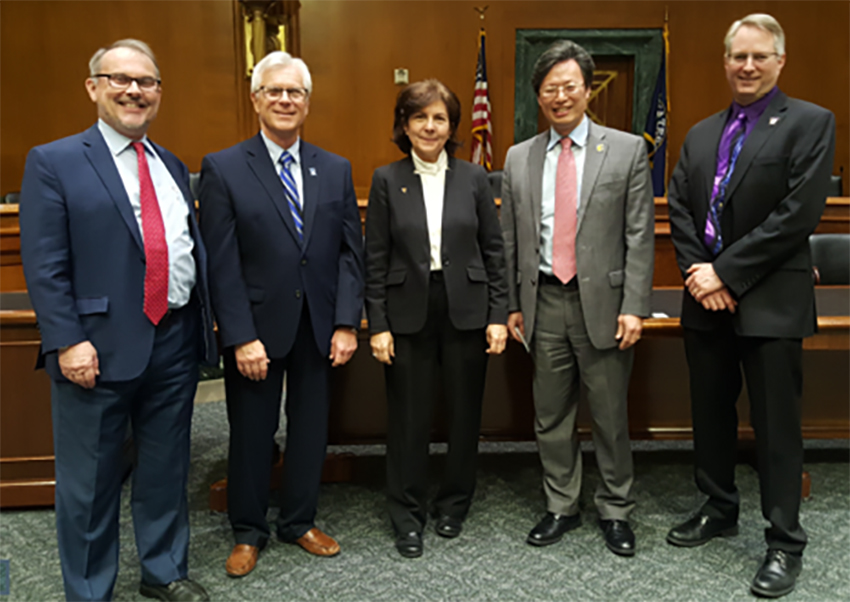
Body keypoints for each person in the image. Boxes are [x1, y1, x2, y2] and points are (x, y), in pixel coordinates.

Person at [19, 39, 216, 602]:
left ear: (158, 93)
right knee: (91, 482)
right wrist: (67, 341)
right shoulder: (54, 160)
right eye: (120, 79)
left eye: (147, 82)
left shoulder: (171, 163)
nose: (135, 90)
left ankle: (163, 570)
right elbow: (46, 263)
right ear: (94, 87)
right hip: (95, 348)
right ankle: (88, 590)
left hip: (172, 339)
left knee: (164, 467)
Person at [665, 14, 835, 598]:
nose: (747, 65)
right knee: (709, 413)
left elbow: (798, 216)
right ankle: (718, 508)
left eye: (760, 56)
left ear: (779, 61)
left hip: (770, 299)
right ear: (726, 60)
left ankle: (785, 541)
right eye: (738, 55)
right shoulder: (702, 132)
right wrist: (700, 275)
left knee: (776, 426)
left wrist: (726, 272)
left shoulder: (811, 123)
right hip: (705, 301)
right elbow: (681, 208)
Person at [198, 51, 364, 577]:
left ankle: (298, 520)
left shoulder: (334, 168)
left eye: (295, 92)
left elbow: (348, 255)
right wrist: (240, 335)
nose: (285, 100)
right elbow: (219, 263)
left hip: (317, 326)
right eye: (275, 91)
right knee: (251, 431)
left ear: (308, 102)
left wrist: (344, 322)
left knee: (311, 430)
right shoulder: (223, 167)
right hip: (256, 332)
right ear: (256, 99)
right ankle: (248, 530)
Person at [500, 40, 654, 557]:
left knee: (610, 415)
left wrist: (634, 305)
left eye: (570, 86)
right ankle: (561, 504)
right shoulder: (518, 158)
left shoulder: (628, 149)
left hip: (607, 308)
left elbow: (639, 234)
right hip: (543, 302)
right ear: (539, 97)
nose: (560, 96)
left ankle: (615, 509)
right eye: (550, 89)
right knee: (551, 415)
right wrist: (512, 305)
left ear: (588, 90)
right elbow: (511, 239)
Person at [364, 79, 508, 558]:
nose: (430, 126)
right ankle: (407, 513)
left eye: (439, 118)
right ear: (404, 125)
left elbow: (493, 251)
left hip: (467, 307)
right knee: (409, 417)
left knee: (465, 414)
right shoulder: (387, 179)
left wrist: (498, 314)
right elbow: (376, 258)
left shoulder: (474, 178)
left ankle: (454, 503)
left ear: (452, 126)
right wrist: (378, 323)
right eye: (419, 117)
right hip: (408, 313)